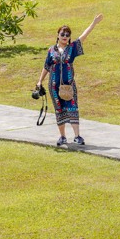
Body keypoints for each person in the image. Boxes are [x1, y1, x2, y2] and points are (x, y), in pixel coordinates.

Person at [36, 14, 103, 147]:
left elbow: (83, 37)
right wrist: (39, 81)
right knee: (59, 110)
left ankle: (77, 136)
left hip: (69, 86)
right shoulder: (51, 50)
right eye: (62, 34)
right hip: (54, 86)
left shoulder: (72, 48)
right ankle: (62, 137)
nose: (65, 36)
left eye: (67, 34)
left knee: (72, 108)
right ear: (58, 35)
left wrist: (94, 23)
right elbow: (46, 67)